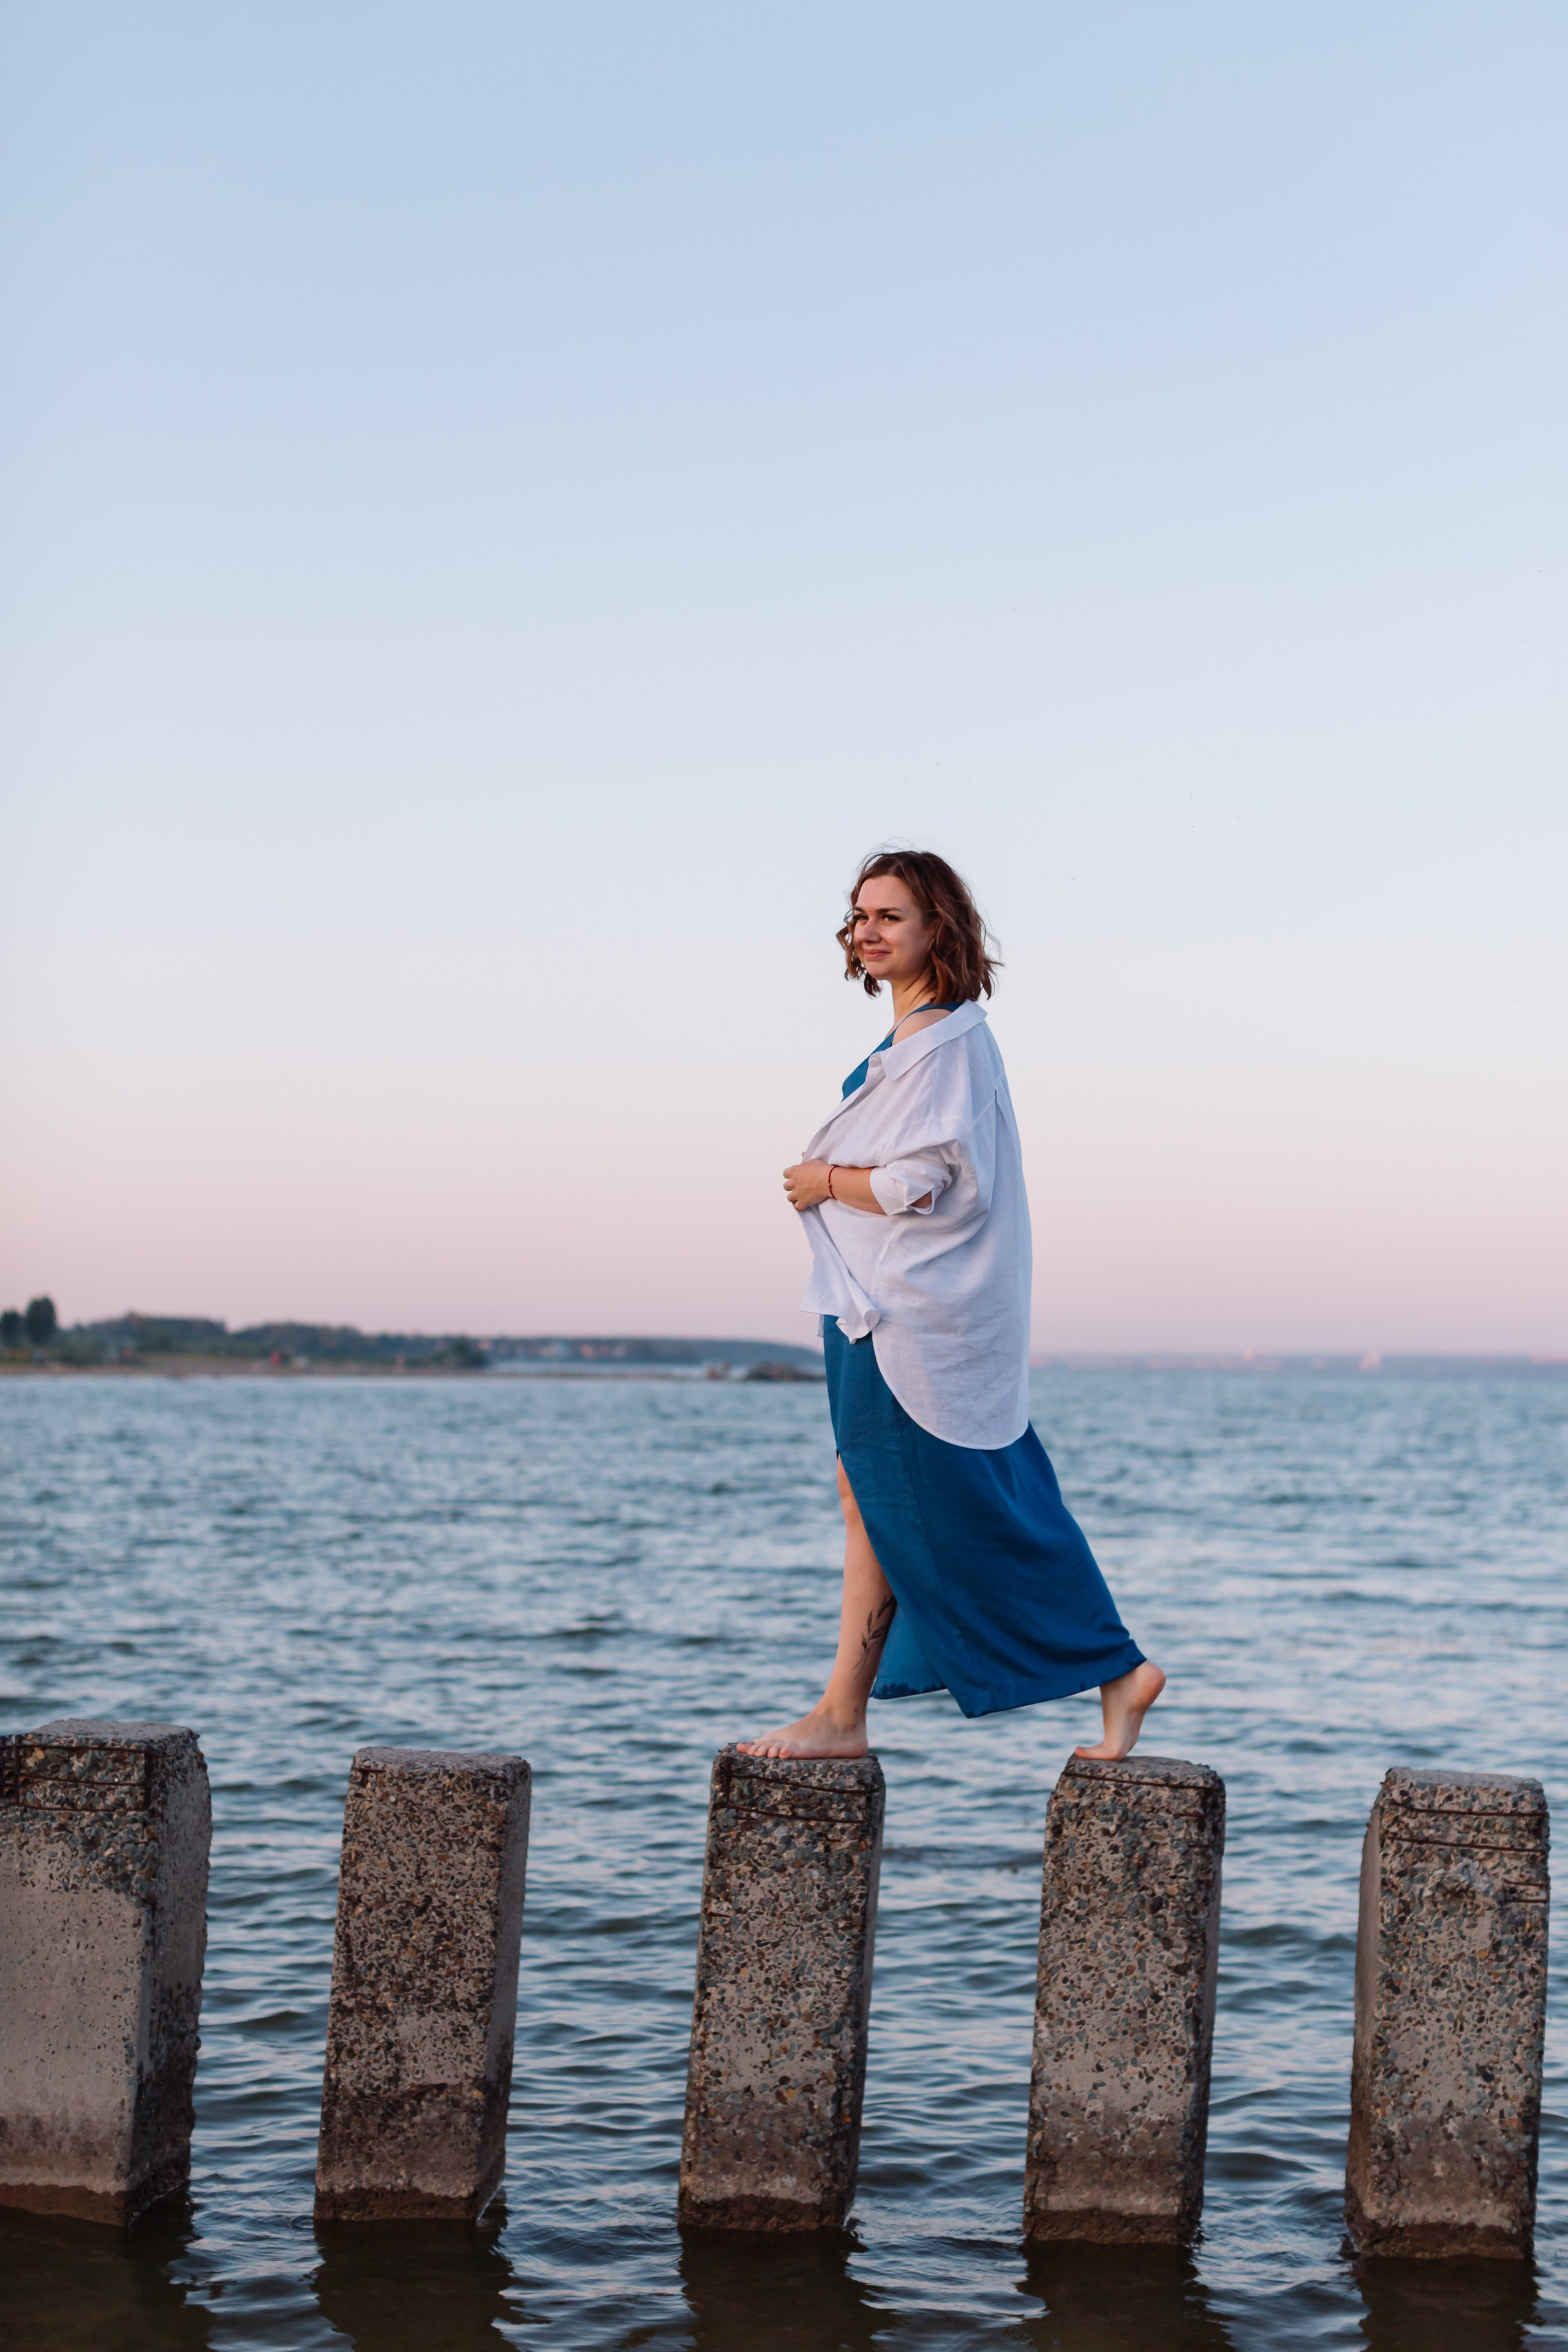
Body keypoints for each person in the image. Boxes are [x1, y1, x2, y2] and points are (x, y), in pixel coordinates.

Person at [738, 850, 1164, 1763]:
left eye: (891, 915)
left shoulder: (946, 1040)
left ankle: (1105, 1664)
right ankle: (846, 1711)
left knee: (966, 1501)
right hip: (873, 1310)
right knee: (878, 1494)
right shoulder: (918, 1042)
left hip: (907, 1318)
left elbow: (929, 1183)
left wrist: (825, 1180)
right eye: (859, 917)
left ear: (939, 927)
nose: (869, 931)